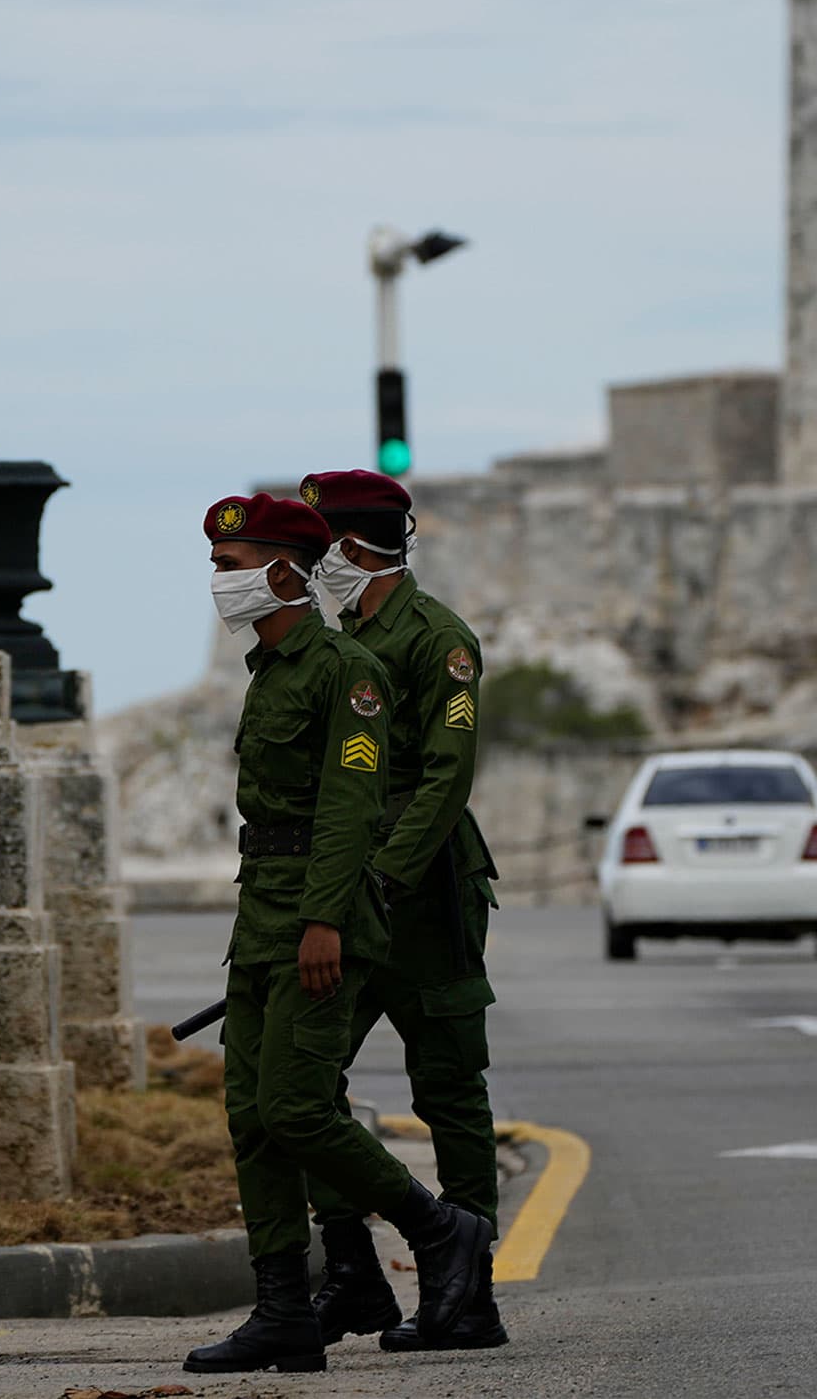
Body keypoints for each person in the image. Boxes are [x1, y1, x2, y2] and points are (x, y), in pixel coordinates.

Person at [186, 492, 495, 1376]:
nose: (218, 584)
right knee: (262, 1111)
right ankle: (315, 1290)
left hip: (391, 896)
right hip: (276, 907)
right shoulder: (274, 668)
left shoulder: (380, 658)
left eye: (231, 568)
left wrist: (349, 902)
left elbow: (412, 786)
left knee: (431, 1083)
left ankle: (455, 1252)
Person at [296, 469, 507, 1352]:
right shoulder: (344, 638)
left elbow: (444, 778)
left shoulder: (439, 641)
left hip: (422, 898)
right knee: (303, 1077)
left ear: (351, 549)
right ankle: (352, 1270)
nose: (311, 569)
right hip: (351, 888)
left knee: (448, 1088)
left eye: (318, 552)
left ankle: (469, 1296)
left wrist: (378, 882)